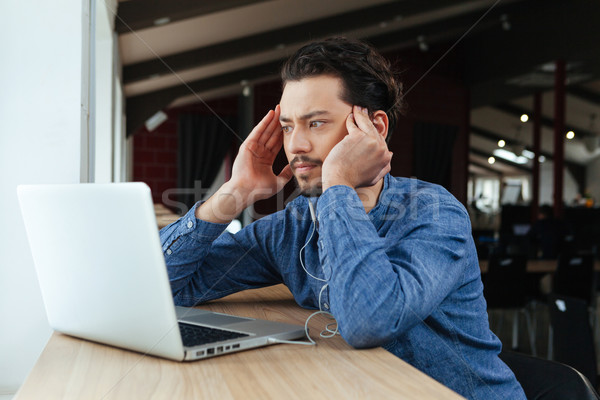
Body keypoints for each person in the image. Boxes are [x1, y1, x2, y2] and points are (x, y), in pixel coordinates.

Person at [160, 37, 526, 399]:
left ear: (374, 129)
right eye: (288, 127)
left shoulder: (434, 214)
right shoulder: (293, 226)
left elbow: (369, 322)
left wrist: (338, 184)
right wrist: (235, 193)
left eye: (315, 123)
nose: (296, 145)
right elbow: (164, 287)